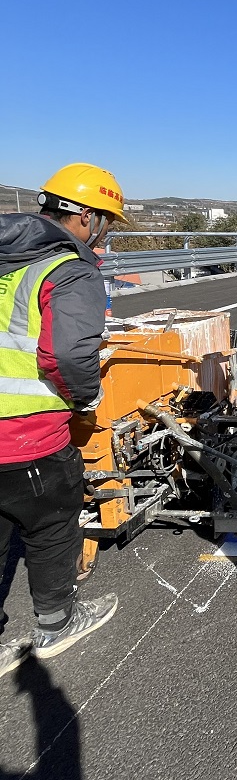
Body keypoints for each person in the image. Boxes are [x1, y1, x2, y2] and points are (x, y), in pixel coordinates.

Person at [0, 164, 124, 678]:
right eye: (108, 223)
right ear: (89, 217)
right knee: (51, 525)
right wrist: (87, 397)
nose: (106, 233)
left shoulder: (9, 257)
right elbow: (68, 355)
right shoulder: (68, 268)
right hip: (25, 434)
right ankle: (56, 624)